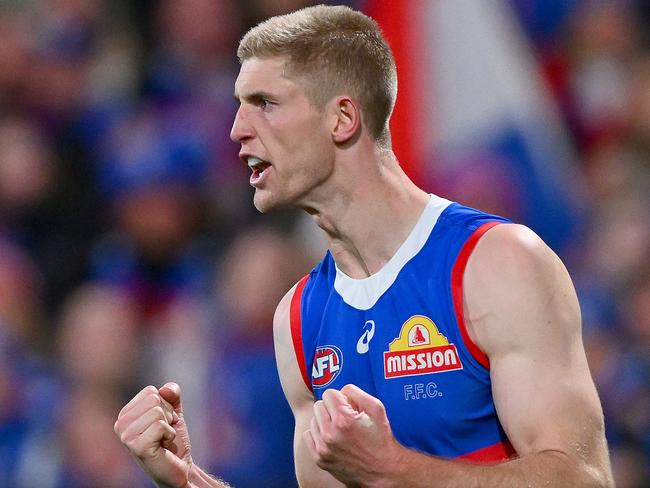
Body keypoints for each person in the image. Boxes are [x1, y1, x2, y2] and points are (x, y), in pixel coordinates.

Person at [114, 5, 613, 487]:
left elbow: (583, 478)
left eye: (265, 104)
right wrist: (189, 482)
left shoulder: (496, 263)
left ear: (342, 119)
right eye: (240, 106)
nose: (237, 130)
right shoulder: (298, 320)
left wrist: (393, 470)